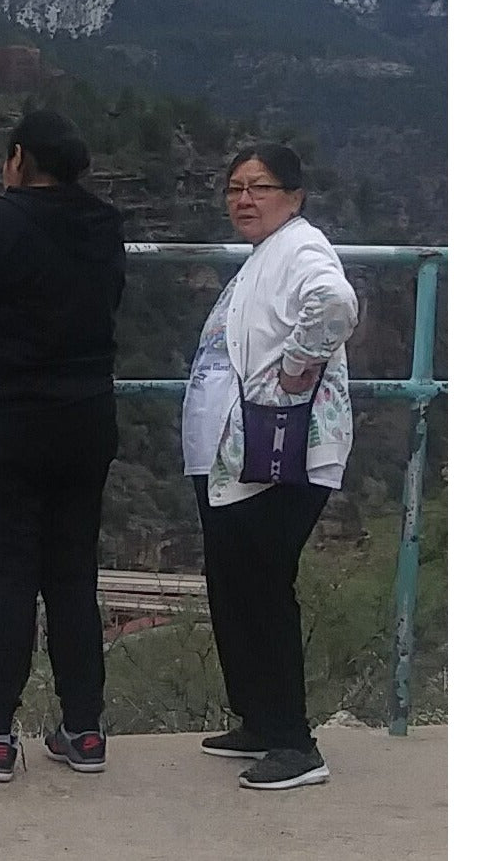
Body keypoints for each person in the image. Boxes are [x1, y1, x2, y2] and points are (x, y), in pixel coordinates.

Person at [0, 110, 126, 783]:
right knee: (73, 575)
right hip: (86, 419)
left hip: (5, 423)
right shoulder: (106, 225)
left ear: (19, 159)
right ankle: (85, 729)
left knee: (9, 576)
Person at [182, 143, 358, 791]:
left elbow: (335, 304)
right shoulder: (269, 255)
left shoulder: (303, 249)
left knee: (261, 586)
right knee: (232, 582)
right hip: (240, 454)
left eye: (259, 187)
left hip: (280, 450)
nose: (244, 199)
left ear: (295, 195)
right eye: (235, 187)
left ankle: (293, 740)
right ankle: (258, 718)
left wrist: (294, 369)